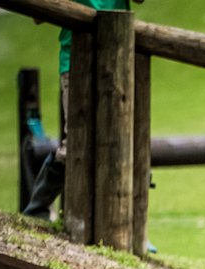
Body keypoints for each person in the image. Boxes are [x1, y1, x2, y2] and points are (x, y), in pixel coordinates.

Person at [23, 0, 144, 220]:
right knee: (76, 145)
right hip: (76, 60)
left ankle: (129, 221)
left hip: (119, 57)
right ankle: (37, 210)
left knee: (122, 143)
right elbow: (38, 13)